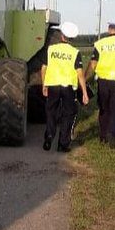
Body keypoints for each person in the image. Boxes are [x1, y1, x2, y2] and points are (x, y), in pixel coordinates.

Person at [41, 22, 89, 153]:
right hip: (68, 87)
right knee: (68, 114)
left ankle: (50, 134)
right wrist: (84, 92)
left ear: (62, 36)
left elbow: (43, 68)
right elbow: (80, 74)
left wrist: (44, 84)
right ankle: (63, 144)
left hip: (53, 85)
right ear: (72, 38)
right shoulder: (75, 53)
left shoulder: (51, 50)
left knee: (51, 111)